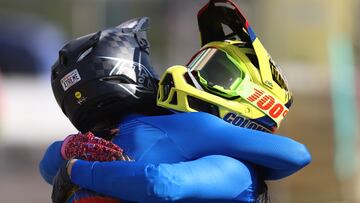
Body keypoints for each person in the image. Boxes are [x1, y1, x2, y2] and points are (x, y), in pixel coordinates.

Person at [41, 3, 311, 203]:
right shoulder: (153, 127)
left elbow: (160, 183)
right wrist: (74, 159)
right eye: (196, 63)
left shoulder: (202, 135)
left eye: (216, 71)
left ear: (258, 101)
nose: (187, 73)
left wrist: (75, 167)